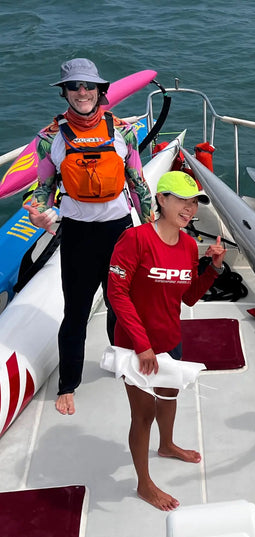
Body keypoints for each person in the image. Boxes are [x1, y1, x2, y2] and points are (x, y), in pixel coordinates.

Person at [24, 58, 152, 416]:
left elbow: (138, 184)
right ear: (64, 91)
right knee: (76, 311)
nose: (82, 92)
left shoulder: (124, 131)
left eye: (89, 86)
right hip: (78, 233)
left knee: (120, 303)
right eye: (74, 86)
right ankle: (68, 384)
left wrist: (150, 230)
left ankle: (122, 361)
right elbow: (43, 189)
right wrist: (37, 211)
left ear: (100, 91)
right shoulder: (50, 138)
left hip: (120, 231)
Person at [107, 171, 226, 511]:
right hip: (135, 345)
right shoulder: (135, 239)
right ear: (161, 199)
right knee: (142, 414)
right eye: (181, 201)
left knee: (169, 395)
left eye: (193, 203)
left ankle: (168, 445)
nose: (189, 209)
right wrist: (142, 345)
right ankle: (144, 484)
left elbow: (187, 298)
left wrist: (213, 269)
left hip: (170, 340)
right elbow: (117, 293)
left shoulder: (189, 245)